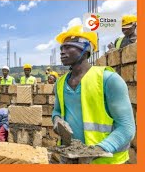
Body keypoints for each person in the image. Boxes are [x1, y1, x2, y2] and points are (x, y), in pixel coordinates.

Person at [52, 25, 135, 164]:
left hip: (106, 161)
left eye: (68, 47)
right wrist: (56, 120)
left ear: (86, 49)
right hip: (70, 158)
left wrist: (96, 151)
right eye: (61, 48)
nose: (62, 52)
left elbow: (127, 128)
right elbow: (57, 111)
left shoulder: (108, 80)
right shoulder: (60, 84)